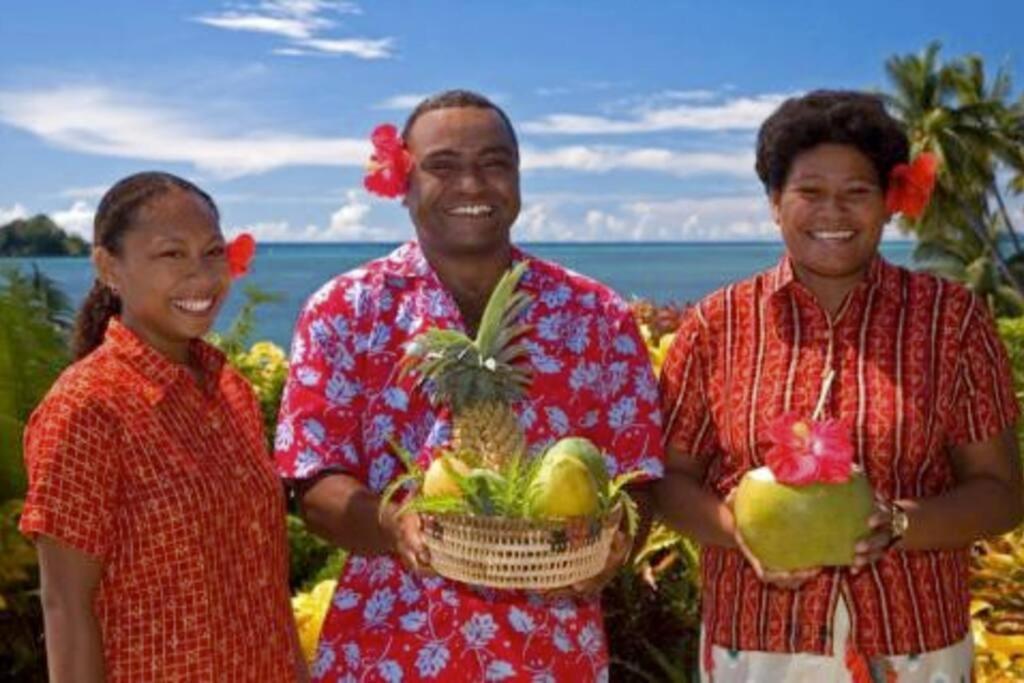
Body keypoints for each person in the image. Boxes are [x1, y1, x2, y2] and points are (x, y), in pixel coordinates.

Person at [274, 90, 664, 681]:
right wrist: (391, 521)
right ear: (402, 183)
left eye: (493, 163)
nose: (473, 184)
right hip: (385, 653)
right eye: (443, 165)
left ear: (518, 178)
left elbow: (640, 473)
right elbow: (313, 481)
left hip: (553, 657)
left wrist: (616, 547)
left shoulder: (595, 314)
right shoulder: (343, 310)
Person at [656, 90, 1024, 682]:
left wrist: (901, 524)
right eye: (809, 192)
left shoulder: (950, 320)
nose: (834, 212)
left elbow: (1002, 491)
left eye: (857, 192)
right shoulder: (715, 325)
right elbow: (667, 482)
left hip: (915, 642)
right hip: (755, 644)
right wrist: (744, 533)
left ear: (890, 203)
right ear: (776, 202)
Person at [19, 172, 304, 682]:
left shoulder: (230, 391)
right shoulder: (87, 407)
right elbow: (65, 606)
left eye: (213, 252)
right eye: (172, 254)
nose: (201, 276)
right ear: (109, 267)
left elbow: (264, 590)